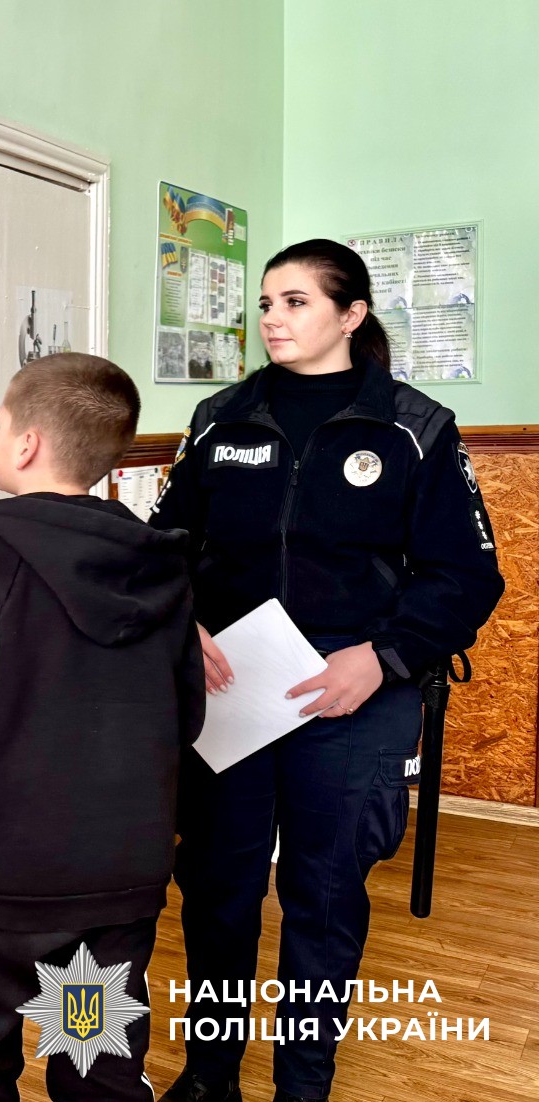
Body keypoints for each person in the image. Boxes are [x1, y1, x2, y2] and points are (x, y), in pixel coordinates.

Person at [151, 239, 505, 1102]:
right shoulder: (221, 419)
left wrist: (383, 658)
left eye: (296, 301)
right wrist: (183, 621)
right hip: (232, 691)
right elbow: (163, 546)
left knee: (325, 897)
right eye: (266, 303)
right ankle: (210, 1075)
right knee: (219, 891)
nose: (273, 319)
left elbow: (466, 575)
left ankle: (302, 1086)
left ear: (352, 315)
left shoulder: (413, 427)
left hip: (353, 698)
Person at [0, 353, 206, 1101]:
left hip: (0, 875)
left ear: (27, 444)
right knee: (95, 1060)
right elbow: (189, 715)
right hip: (117, 870)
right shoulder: (157, 560)